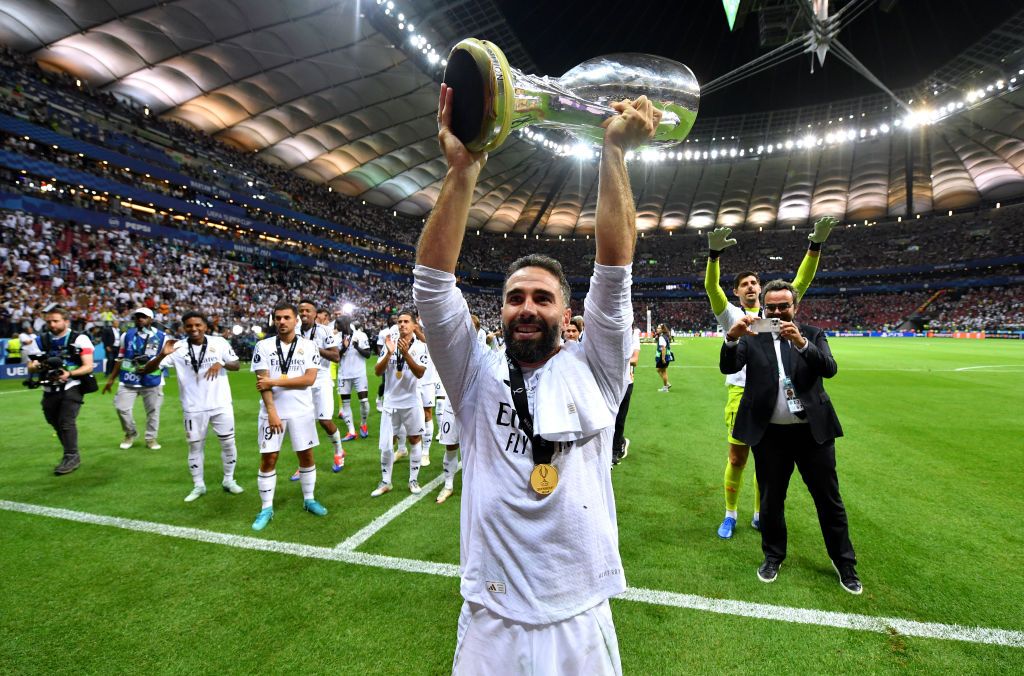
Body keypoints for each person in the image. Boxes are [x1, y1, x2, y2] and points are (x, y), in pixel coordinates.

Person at [414, 83, 657, 674]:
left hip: (578, 613)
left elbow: (615, 269)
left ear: (566, 315)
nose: (526, 307)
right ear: (499, 311)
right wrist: (463, 170)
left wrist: (614, 154)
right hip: (490, 616)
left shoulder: (597, 370)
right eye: (514, 297)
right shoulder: (474, 374)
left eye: (542, 298)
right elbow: (431, 284)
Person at [720, 279, 861, 595]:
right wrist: (731, 337)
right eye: (772, 307)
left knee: (828, 500)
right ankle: (773, 556)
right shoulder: (753, 336)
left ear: (795, 308)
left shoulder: (811, 334)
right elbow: (727, 365)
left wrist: (801, 344)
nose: (778, 311)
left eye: (784, 306)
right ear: (765, 307)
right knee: (771, 500)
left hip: (813, 434)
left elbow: (829, 369)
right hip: (770, 436)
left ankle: (845, 563)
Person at [705, 219, 834, 539]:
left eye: (754, 282)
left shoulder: (776, 313)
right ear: (736, 291)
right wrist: (713, 256)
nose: (750, 286)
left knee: (767, 459)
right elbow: (711, 288)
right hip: (740, 393)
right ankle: (730, 514)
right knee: (737, 456)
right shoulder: (731, 316)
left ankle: (761, 513)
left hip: (774, 396)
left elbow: (801, 281)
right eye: (744, 283)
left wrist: (814, 246)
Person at [140, 311, 244, 502]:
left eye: (198, 325)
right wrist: (162, 354)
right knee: (195, 447)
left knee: (228, 443)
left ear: (206, 326)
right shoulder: (176, 347)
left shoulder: (219, 343)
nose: (194, 329)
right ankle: (198, 485)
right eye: (189, 326)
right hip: (193, 406)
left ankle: (229, 480)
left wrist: (221, 363)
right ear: (184, 328)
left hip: (221, 404)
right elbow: (146, 370)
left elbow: (236, 365)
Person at [250, 302, 328, 531]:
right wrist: (272, 412)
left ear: (296, 320)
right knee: (269, 459)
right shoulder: (263, 346)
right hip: (271, 412)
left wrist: (274, 381)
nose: (281, 322)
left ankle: (309, 499)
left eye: (286, 318)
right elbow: (261, 383)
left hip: (302, 411)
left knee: (306, 455)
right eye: (277, 318)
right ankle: (266, 508)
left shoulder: (310, 345)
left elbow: (308, 380)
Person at [23, 306, 95, 475]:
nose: (52, 324)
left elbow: (88, 366)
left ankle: (70, 456)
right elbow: (30, 366)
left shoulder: (79, 338)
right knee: (53, 420)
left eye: (56, 321)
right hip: (49, 387)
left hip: (72, 385)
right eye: (49, 321)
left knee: (66, 421)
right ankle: (72, 453)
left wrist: (69, 373)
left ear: (66, 321)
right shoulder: (40, 340)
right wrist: (37, 365)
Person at [370, 310, 427, 497]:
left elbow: (420, 373)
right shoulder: (390, 344)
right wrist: (389, 354)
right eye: (399, 321)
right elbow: (377, 372)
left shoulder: (420, 347)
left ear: (413, 326)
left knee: (414, 439)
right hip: (390, 402)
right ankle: (386, 482)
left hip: (411, 401)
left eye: (405, 321)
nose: (402, 324)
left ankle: (413, 480)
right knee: (387, 443)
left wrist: (406, 354)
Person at [103, 308, 168, 450]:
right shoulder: (126, 335)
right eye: (137, 316)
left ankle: (151, 438)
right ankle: (130, 433)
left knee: (153, 411)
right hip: (129, 378)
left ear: (151, 319)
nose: (140, 319)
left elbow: (166, 359)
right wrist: (111, 379)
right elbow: (120, 358)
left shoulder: (163, 337)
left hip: (152, 379)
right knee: (121, 408)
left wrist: (151, 366)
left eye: (144, 317)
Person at [296, 299, 345, 473]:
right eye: (301, 311)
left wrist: (314, 348)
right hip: (301, 381)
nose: (304, 314)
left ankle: (339, 451)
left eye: (307, 311)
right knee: (302, 422)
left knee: (324, 421)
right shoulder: (294, 331)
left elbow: (336, 356)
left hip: (321, 379)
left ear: (315, 314)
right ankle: (304, 464)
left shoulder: (324, 331)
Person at [336, 315, 372, 440]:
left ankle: (363, 424)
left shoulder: (361, 336)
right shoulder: (336, 338)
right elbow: (335, 358)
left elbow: (368, 354)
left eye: (339, 324)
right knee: (345, 404)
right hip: (343, 375)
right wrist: (343, 348)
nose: (337, 327)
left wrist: (356, 346)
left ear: (345, 324)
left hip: (359, 374)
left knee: (364, 401)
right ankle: (351, 431)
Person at [611, 325, 641, 465]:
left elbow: (635, 359)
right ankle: (615, 443)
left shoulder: (634, 336)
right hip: (609, 381)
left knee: (619, 418)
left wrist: (613, 360)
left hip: (625, 381)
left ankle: (616, 449)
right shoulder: (612, 332)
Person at [655, 323, 673, 392]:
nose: (657, 329)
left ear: (662, 329)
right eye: (657, 328)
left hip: (663, 357)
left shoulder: (662, 337)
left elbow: (663, 348)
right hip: (667, 356)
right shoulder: (665, 336)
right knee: (659, 370)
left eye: (659, 328)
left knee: (663, 371)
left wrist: (663, 358)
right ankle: (667, 384)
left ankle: (666, 387)